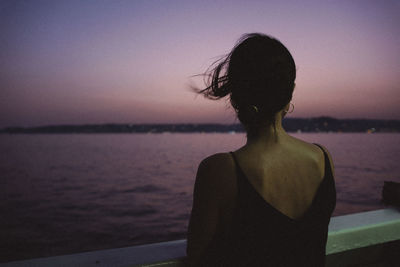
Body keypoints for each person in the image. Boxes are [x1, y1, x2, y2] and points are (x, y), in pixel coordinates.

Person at [186, 33, 336, 266]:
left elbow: (197, 257)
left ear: (236, 98)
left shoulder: (218, 171)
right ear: (289, 93)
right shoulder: (322, 158)